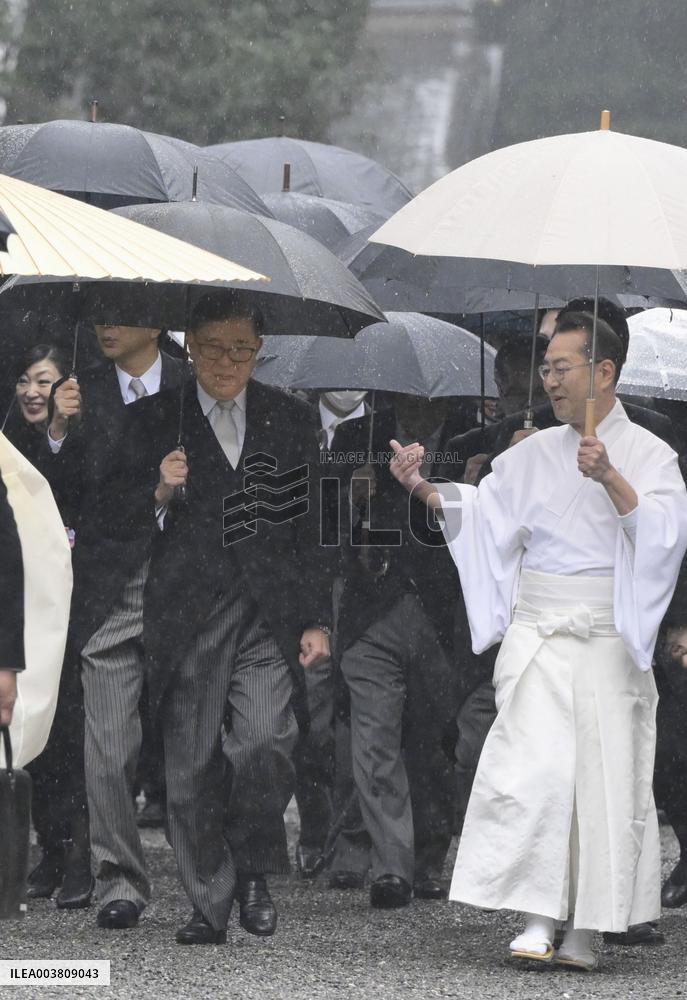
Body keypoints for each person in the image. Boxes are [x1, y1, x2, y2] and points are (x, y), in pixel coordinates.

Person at [389, 312, 687, 971]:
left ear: (603, 372)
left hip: (607, 631)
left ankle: (586, 926)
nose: (548, 379)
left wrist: (611, 477)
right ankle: (535, 914)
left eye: (561, 367)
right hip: (539, 629)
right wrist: (420, 487)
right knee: (537, 772)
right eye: (545, 368)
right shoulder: (529, 449)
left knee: (600, 780)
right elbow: (483, 514)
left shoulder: (651, 452)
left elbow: (665, 538)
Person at [101, 293, 334, 945]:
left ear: (259, 351)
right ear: (189, 347)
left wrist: (316, 619)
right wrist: (159, 492)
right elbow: (110, 522)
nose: (227, 361)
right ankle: (209, 902)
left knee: (262, 744)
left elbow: (313, 527)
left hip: (267, 613)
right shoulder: (154, 419)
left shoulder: (289, 418)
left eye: (241, 349)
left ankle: (254, 870)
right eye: (211, 348)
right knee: (190, 768)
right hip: (187, 614)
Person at [47, 320, 187, 929]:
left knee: (196, 748)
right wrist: (57, 429)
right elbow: (65, 496)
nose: (104, 325)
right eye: (98, 313)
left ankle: (215, 872)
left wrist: (170, 495)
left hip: (183, 583)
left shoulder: (193, 383)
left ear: (154, 322)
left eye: (120, 314)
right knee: (106, 751)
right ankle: (119, 880)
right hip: (107, 583)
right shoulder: (81, 391)